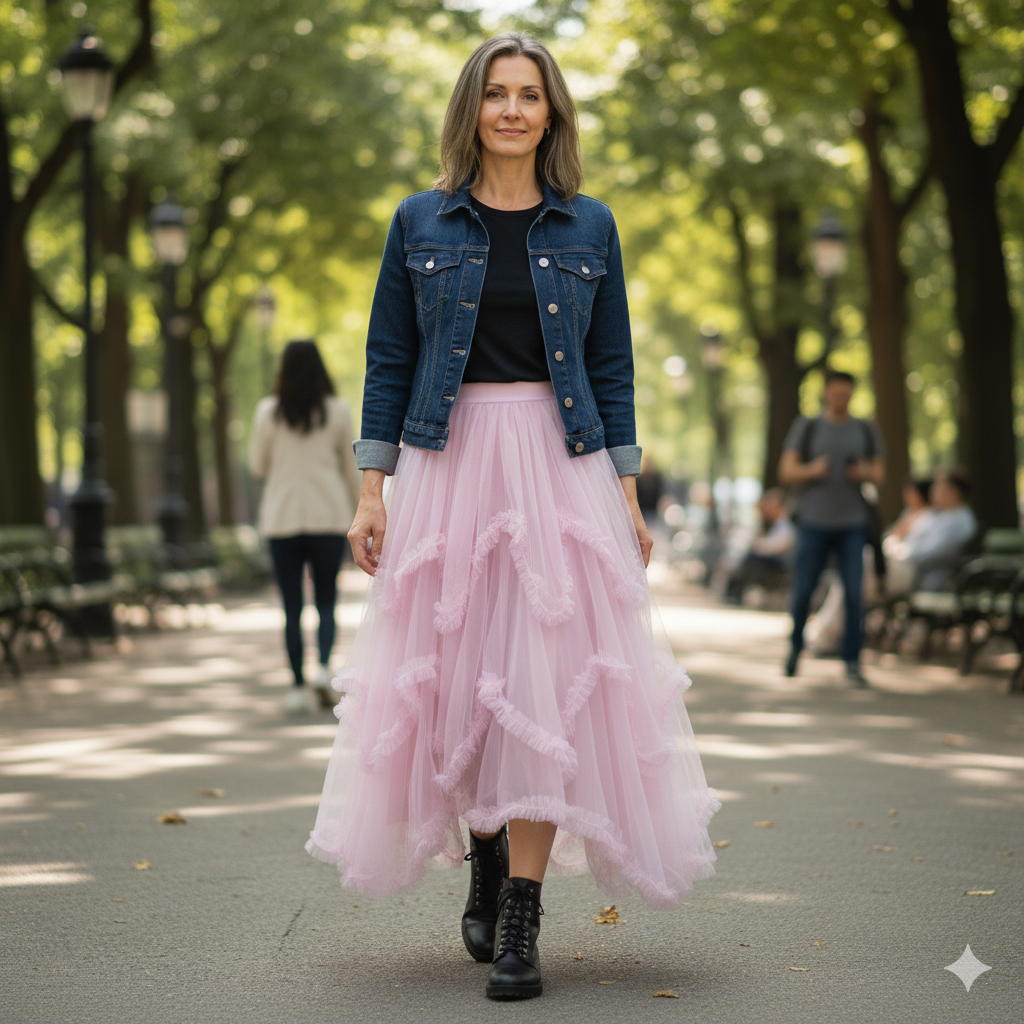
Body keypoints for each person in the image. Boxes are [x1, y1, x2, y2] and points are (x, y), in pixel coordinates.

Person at [305, 34, 718, 1001]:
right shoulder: (418, 220)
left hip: (556, 462)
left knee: (546, 678)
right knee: (459, 681)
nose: (513, 111)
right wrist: (372, 489)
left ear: (552, 113)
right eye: (496, 94)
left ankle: (523, 910)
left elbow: (610, 366)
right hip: (446, 462)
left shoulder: (590, 227)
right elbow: (388, 359)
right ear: (472, 109)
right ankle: (484, 858)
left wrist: (623, 490)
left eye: (531, 95)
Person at [249, 340, 360, 713]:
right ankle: (324, 667)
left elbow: (257, 466)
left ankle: (297, 685)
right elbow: (351, 467)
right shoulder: (337, 411)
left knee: (291, 606)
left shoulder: (268, 412)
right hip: (328, 516)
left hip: (282, 520)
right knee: (326, 600)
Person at [779, 370, 885, 686]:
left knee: (854, 592)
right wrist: (812, 470)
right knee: (804, 590)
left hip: (853, 522)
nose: (841, 399)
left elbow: (880, 475)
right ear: (826, 393)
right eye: (836, 394)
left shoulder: (865, 429)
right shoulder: (808, 427)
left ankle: (853, 660)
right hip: (814, 522)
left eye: (846, 394)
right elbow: (786, 471)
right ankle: (795, 648)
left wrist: (864, 473)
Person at [884, 467, 976, 593]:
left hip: (927, 577)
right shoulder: (940, 515)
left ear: (955, 492)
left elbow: (928, 553)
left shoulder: (958, 521)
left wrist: (897, 552)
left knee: (869, 570)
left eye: (939, 487)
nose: (933, 491)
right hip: (914, 570)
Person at [723, 488, 795, 605]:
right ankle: (734, 589)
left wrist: (765, 547)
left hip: (779, 562)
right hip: (772, 559)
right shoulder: (774, 524)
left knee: (750, 558)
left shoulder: (785, 524)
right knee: (746, 556)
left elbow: (784, 545)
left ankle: (735, 591)